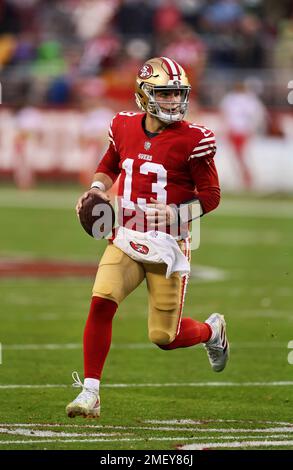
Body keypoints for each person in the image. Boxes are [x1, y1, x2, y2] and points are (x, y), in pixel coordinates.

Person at [66, 57, 229, 419]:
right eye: (165, 93)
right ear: (144, 94)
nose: (173, 101)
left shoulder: (195, 138)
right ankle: (90, 392)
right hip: (125, 234)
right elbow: (111, 162)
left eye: (177, 94)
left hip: (168, 245)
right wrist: (95, 189)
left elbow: (212, 195)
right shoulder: (123, 125)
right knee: (101, 301)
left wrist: (175, 212)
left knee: (164, 337)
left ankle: (211, 331)